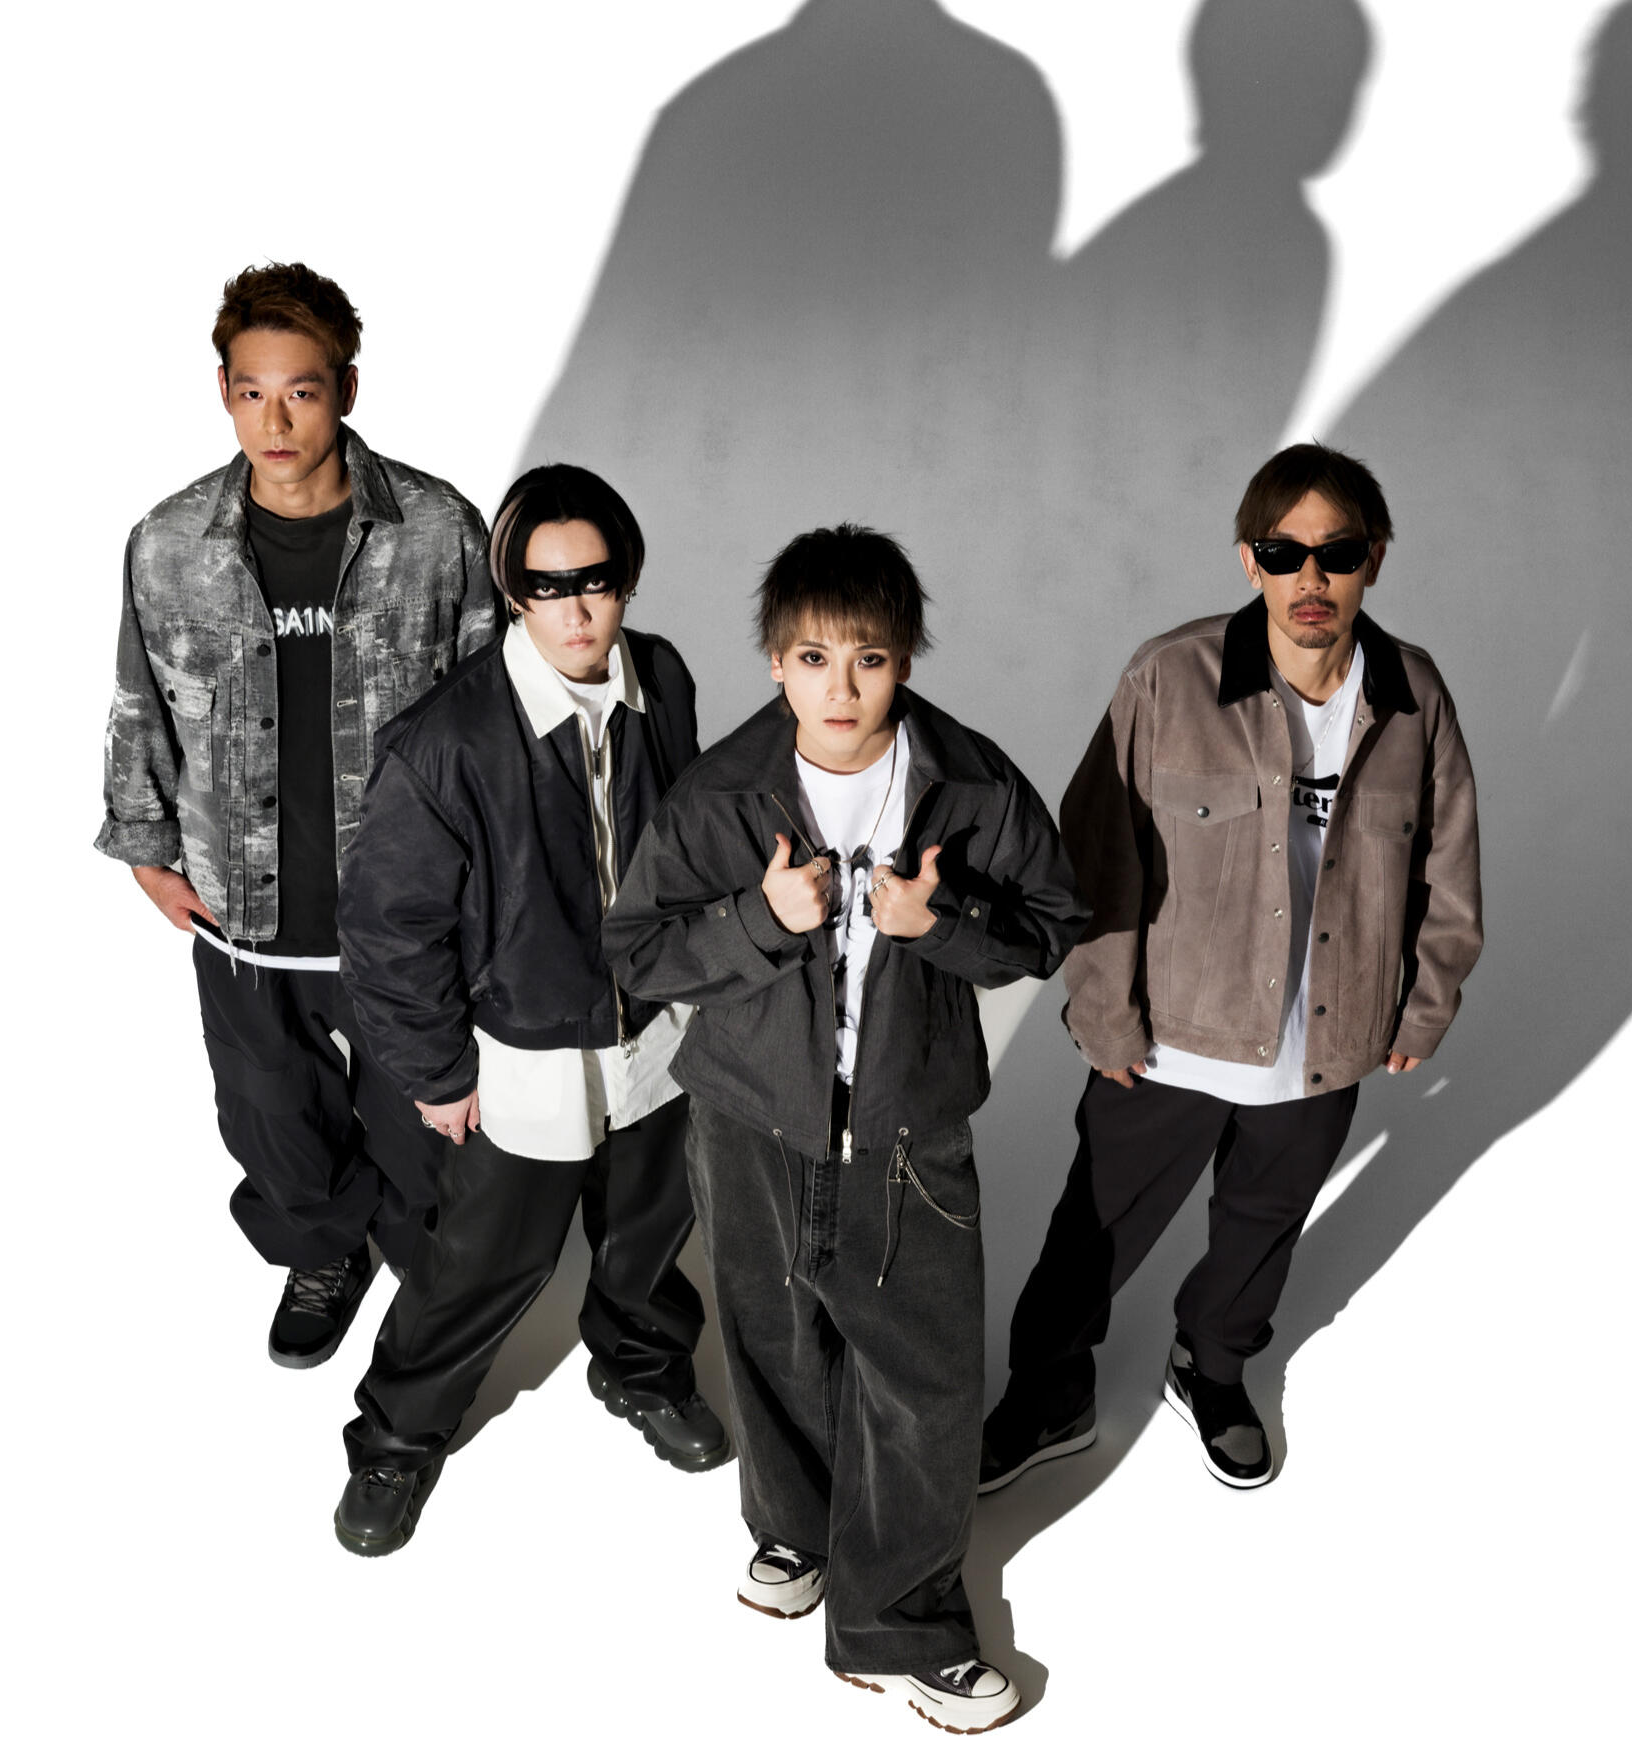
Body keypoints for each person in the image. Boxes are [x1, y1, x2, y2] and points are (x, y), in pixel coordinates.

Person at [604, 526, 1085, 1736]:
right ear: (775, 661)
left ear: (903, 660)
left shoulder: (971, 784)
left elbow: (1048, 926)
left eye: (867, 658)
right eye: (813, 658)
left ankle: (900, 1620)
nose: (840, 688)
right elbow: (640, 951)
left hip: (905, 1128)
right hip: (749, 1118)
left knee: (921, 1378)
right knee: (773, 1339)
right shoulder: (721, 792)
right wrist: (760, 918)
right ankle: (798, 1530)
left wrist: (941, 920)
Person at [981, 443, 1482, 1494]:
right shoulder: (1170, 677)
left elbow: (1449, 861)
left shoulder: (1412, 693)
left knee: (1260, 1231)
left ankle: (1211, 1368)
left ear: (1374, 559)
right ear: (1249, 560)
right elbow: (1097, 856)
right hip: (1170, 1034)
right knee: (1092, 1234)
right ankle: (1048, 1392)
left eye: (1337, 552)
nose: (1311, 577)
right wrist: (1103, 1013)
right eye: (1283, 552)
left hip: (1324, 1041)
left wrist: (1423, 1005)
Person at [96, 262, 496, 1369]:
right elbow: (138, 698)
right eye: (251, 393)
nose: (275, 424)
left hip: (404, 912)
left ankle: (430, 1277)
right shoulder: (170, 542)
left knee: (429, 1129)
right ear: (224, 392)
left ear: (347, 389)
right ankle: (323, 1250)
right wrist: (146, 848)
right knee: (272, 1118)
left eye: (302, 393)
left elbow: (491, 710)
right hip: (243, 911)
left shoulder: (437, 530)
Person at [330, 464, 725, 1558]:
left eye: (593, 580)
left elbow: (688, 840)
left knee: (649, 1233)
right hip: (522, 1054)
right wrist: (436, 1072)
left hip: (656, 1036)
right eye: (547, 587)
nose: (575, 609)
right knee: (480, 1264)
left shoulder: (664, 680)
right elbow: (386, 927)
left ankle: (641, 1367)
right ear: (513, 592)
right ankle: (396, 1437)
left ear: (625, 579)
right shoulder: (446, 739)